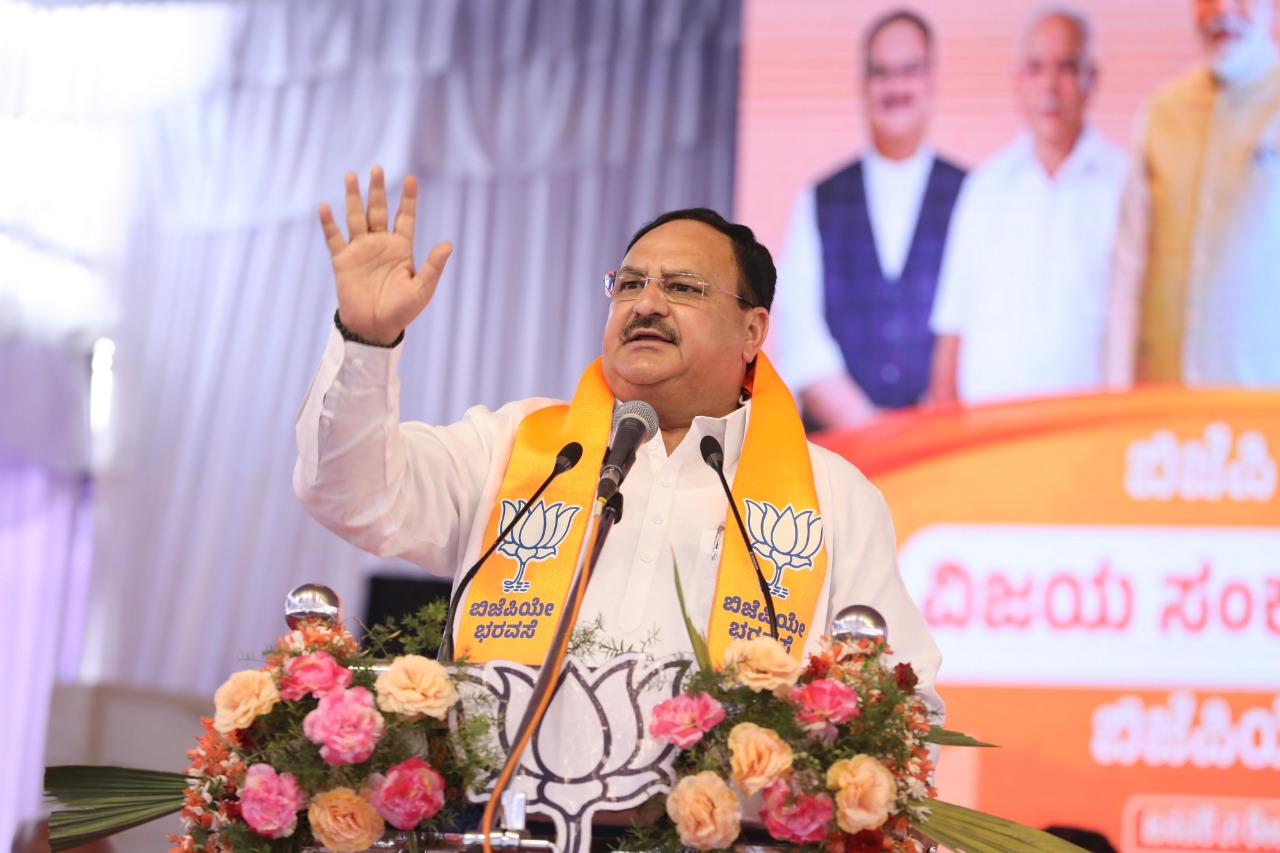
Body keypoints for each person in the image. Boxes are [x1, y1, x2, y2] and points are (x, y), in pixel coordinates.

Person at [293, 168, 941, 716]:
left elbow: (904, 705)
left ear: (752, 331)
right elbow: (352, 497)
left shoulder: (834, 496)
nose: (646, 303)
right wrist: (367, 341)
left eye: (682, 286)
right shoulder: (518, 447)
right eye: (628, 284)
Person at [770, 9, 965, 429]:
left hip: (946, 454)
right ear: (863, 85)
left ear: (931, 80)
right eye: (881, 73)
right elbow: (802, 337)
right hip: (841, 456)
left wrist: (929, 431)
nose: (895, 87)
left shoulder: (974, 194)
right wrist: (869, 429)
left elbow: (985, 327)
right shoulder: (820, 197)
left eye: (908, 70)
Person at [928, 8, 1126, 404]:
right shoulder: (985, 187)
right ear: (1018, 81)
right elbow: (953, 333)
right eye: (1036, 68)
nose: (1050, 85)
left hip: (1092, 434)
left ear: (1093, 79)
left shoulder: (1127, 187)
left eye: (1066, 67)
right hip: (992, 439)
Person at [1104, 0, 1280, 387]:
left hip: (1260, 416)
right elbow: (1129, 265)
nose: (1223, 9)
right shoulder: (1162, 111)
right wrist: (1115, 392)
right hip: (1160, 412)